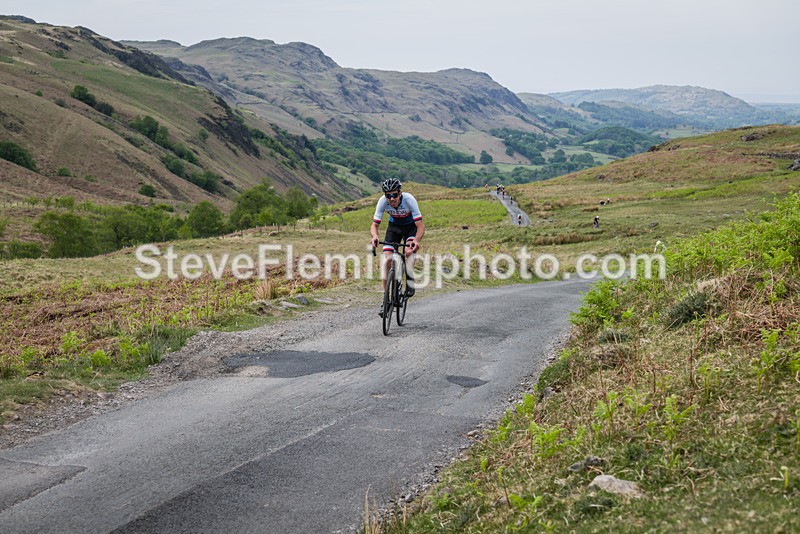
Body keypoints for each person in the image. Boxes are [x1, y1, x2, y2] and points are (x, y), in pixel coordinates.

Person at [370, 179, 425, 313]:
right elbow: (374, 225)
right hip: (394, 228)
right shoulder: (382, 201)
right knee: (386, 260)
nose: (391, 198)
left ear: (400, 193)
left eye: (394, 195)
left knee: (408, 251)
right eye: (388, 195)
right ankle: (386, 300)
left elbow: (420, 226)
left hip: (410, 227)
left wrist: (416, 240)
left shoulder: (409, 200)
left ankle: (410, 280)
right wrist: (375, 236)